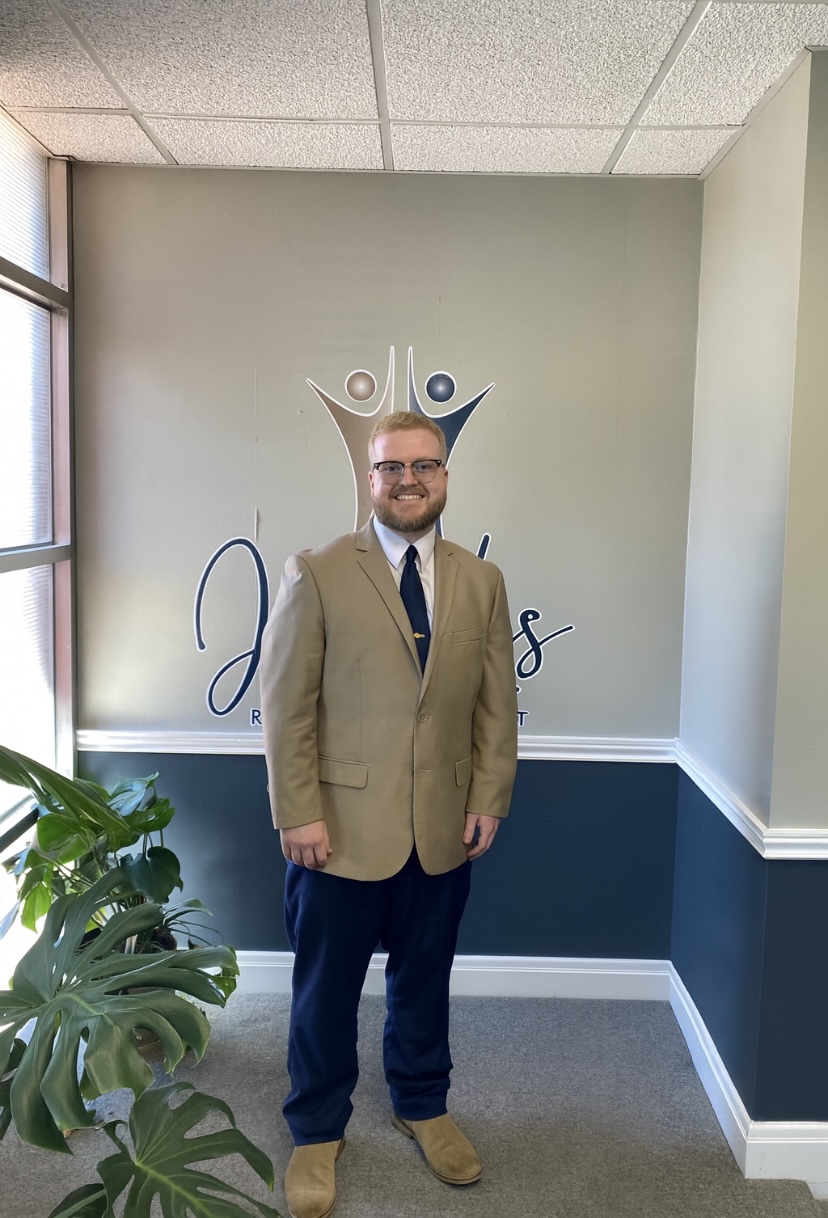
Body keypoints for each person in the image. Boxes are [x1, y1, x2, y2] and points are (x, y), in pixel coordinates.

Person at [260, 410, 517, 1218]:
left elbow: (495, 704)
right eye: (392, 467)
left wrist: (488, 795)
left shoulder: (482, 581)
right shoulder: (317, 571)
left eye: (424, 466)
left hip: (442, 829)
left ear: (445, 475)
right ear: (370, 478)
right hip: (336, 833)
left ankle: (422, 1103)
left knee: (425, 978)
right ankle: (316, 1129)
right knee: (325, 990)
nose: (409, 480)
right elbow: (286, 707)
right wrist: (297, 812)